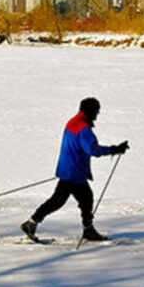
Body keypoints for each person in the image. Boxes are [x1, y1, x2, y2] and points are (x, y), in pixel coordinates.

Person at [21, 97, 129, 242]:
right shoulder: (83, 128)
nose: (97, 115)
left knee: (67, 200)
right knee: (74, 199)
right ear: (90, 111)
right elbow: (92, 150)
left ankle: (33, 222)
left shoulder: (73, 122)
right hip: (74, 172)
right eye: (96, 111)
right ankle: (87, 230)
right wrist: (114, 149)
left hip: (69, 169)